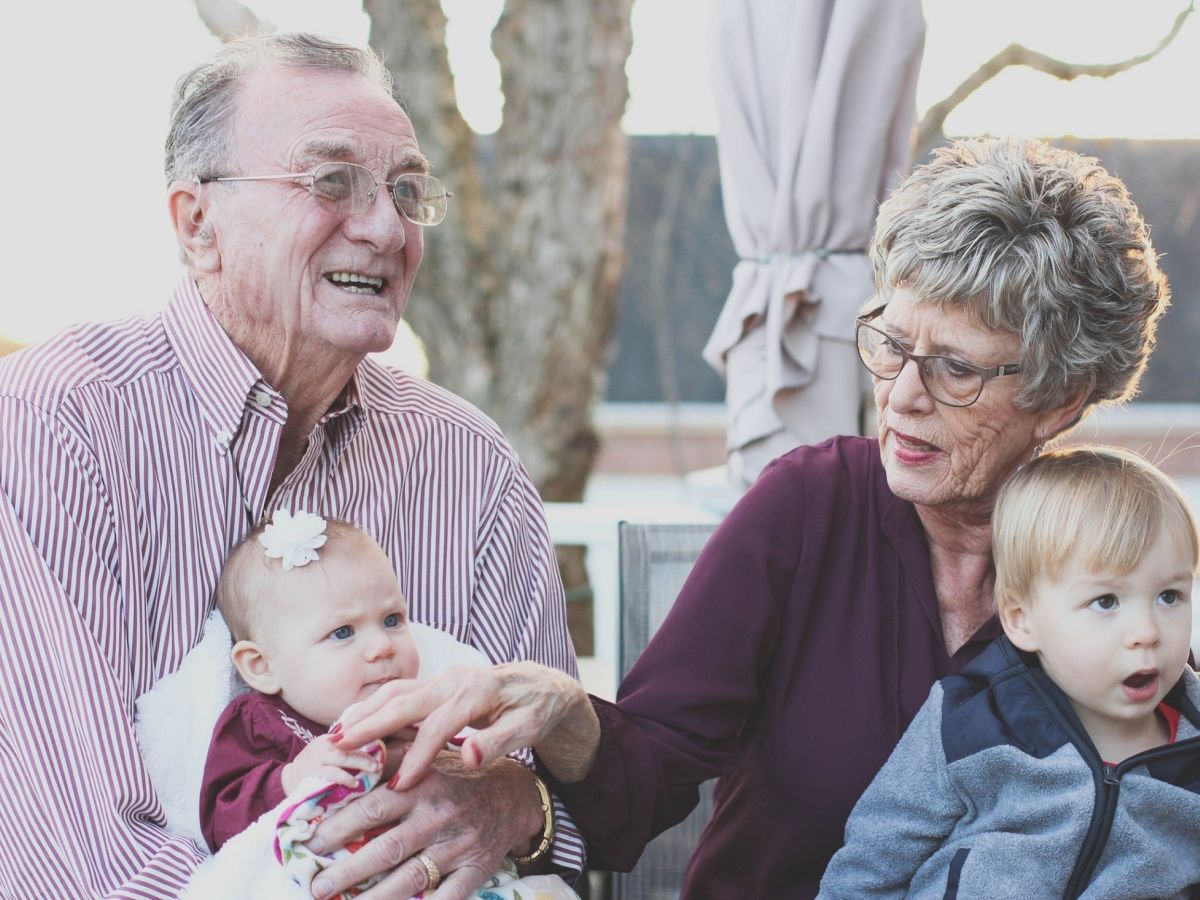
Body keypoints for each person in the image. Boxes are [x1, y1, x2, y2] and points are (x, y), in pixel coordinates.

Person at [325, 137, 1173, 898]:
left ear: (1059, 400)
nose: (902, 397)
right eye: (890, 342)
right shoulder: (809, 508)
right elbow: (639, 787)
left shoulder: (1123, 563)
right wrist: (568, 710)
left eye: (956, 369)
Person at [0, 33, 582, 899]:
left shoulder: (468, 460)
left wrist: (516, 803)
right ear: (199, 224)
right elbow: (75, 856)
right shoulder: (57, 420)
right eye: (330, 180)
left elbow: (566, 813)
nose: (387, 228)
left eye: (407, 190)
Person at [819, 446, 1200, 897]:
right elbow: (873, 860)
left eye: (1170, 596)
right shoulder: (972, 722)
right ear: (1022, 619)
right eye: (1106, 602)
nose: (1146, 632)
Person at [193, 511, 576, 898]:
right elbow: (220, 820)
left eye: (393, 619)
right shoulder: (262, 721)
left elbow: (477, 801)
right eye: (342, 632)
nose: (383, 646)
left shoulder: (425, 711)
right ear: (262, 667)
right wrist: (292, 778)